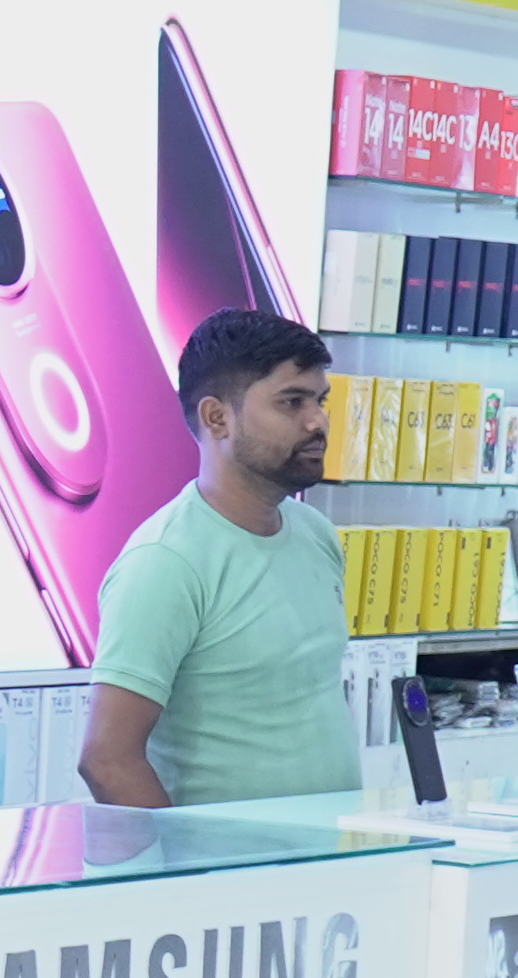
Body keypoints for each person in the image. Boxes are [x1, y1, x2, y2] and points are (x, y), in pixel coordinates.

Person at [76, 309, 363, 809]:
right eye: (291, 402)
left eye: (319, 400)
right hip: (223, 858)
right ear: (217, 418)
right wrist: (180, 859)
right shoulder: (166, 561)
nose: (317, 421)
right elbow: (108, 760)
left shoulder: (315, 534)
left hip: (331, 852)